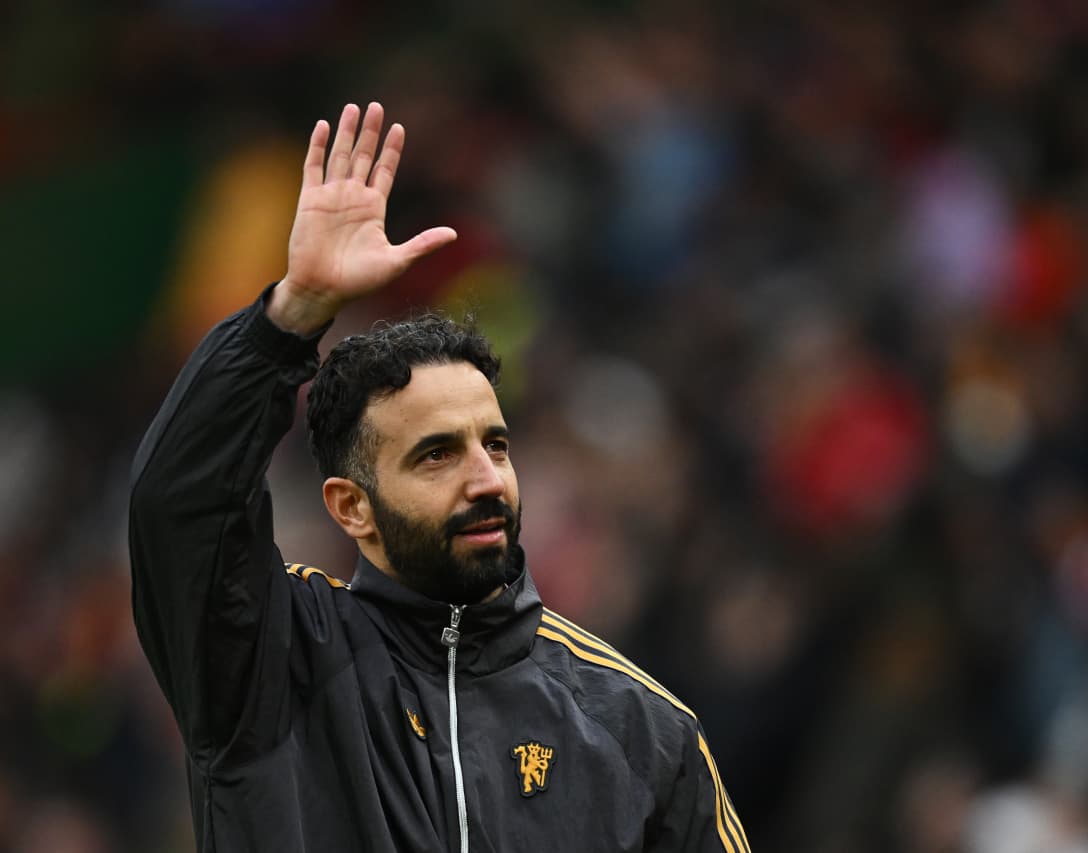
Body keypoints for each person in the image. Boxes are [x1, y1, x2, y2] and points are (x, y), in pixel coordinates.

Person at [129, 101, 751, 853]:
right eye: (437, 455)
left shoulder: (642, 730)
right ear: (351, 507)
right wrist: (290, 316)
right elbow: (179, 505)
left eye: (496, 445)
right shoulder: (269, 662)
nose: (486, 479)